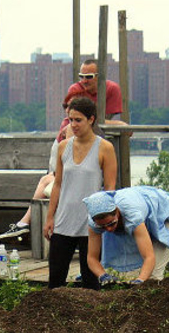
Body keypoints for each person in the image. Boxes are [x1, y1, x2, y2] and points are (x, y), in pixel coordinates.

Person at [43, 96, 117, 289]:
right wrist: (50, 216)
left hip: (91, 223)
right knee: (56, 278)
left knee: (90, 280)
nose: (73, 125)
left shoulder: (105, 148)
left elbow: (110, 188)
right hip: (64, 220)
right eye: (70, 120)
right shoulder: (63, 147)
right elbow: (58, 184)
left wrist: (108, 219)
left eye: (78, 120)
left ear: (91, 120)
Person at [0, 107, 75, 241]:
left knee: (46, 181)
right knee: (46, 179)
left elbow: (70, 167)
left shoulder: (88, 141)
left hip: (74, 185)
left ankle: (23, 223)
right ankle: (24, 223)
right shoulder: (66, 138)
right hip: (64, 180)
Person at [83, 186, 169, 284]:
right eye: (103, 227)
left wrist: (140, 282)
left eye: (111, 223)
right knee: (133, 273)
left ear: (117, 211)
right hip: (146, 217)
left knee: (153, 275)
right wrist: (103, 276)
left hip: (168, 215)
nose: (108, 229)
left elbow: (149, 257)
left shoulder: (132, 215)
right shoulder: (94, 222)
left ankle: (154, 300)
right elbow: (92, 258)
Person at [65, 58, 124, 123]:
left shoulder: (112, 89)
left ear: (100, 76)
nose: (84, 81)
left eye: (89, 76)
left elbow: (103, 120)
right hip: (75, 128)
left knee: (125, 130)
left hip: (97, 126)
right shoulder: (75, 89)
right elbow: (74, 119)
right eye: (81, 76)